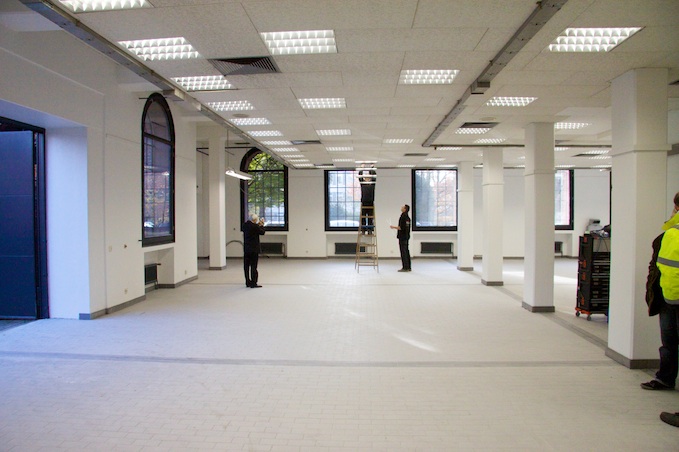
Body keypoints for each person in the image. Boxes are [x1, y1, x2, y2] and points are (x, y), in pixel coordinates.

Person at [642, 192, 679, 390]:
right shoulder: (667, 235)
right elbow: (655, 266)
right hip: (667, 296)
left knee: (669, 340)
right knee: (668, 341)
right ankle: (665, 377)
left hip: (672, 296)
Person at [243, 213, 265, 288]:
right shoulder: (255, 226)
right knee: (253, 266)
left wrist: (258, 225)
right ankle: (253, 282)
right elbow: (262, 232)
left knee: (246, 266)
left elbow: (253, 228)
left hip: (246, 249)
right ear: (254, 220)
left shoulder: (245, 225)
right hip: (254, 249)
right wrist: (261, 225)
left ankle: (247, 281)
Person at [390, 204, 411, 272]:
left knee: (403, 252)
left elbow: (400, 227)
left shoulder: (402, 217)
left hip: (402, 237)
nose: (401, 207)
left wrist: (393, 227)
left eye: (402, 207)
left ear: (405, 209)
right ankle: (408, 267)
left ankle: (405, 267)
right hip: (407, 236)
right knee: (406, 251)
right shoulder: (408, 218)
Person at [358, 165, 376, 232]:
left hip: (370, 202)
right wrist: (362, 168)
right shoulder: (363, 184)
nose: (367, 179)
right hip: (364, 202)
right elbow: (360, 177)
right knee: (363, 217)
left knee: (370, 217)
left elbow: (374, 176)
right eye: (366, 178)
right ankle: (363, 229)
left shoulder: (372, 184)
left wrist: (371, 168)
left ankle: (370, 229)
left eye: (368, 178)